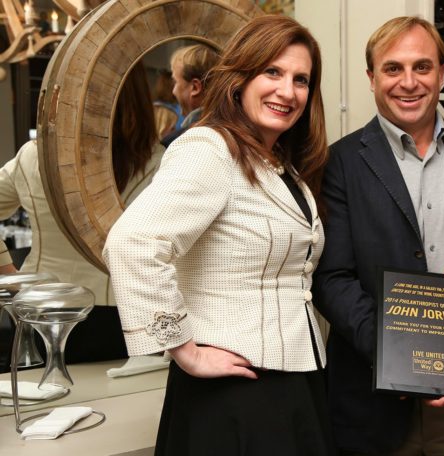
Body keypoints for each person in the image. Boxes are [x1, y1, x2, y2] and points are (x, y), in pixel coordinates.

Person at [103, 15, 334, 455]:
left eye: (300, 79)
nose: (288, 91)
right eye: (272, 72)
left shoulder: (280, 165)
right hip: (237, 394)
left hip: (293, 382)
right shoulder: (210, 149)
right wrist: (184, 349)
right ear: (238, 79)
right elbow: (132, 243)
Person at [313, 16, 444, 455]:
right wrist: (402, 356)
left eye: (422, 67)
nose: (408, 83)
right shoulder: (340, 163)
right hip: (372, 405)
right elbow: (332, 278)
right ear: (371, 78)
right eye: (393, 69)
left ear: (441, 73)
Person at [0, 62, 162, 365]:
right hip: (128, 312)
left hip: (45, 308)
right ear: (140, 96)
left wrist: (8, 273)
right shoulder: (160, 163)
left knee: (51, 402)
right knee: (126, 406)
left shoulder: (35, 155)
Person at [161, 43, 219, 147]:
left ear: (195, 88)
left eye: (175, 82)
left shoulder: (184, 142)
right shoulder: (230, 128)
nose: (173, 91)